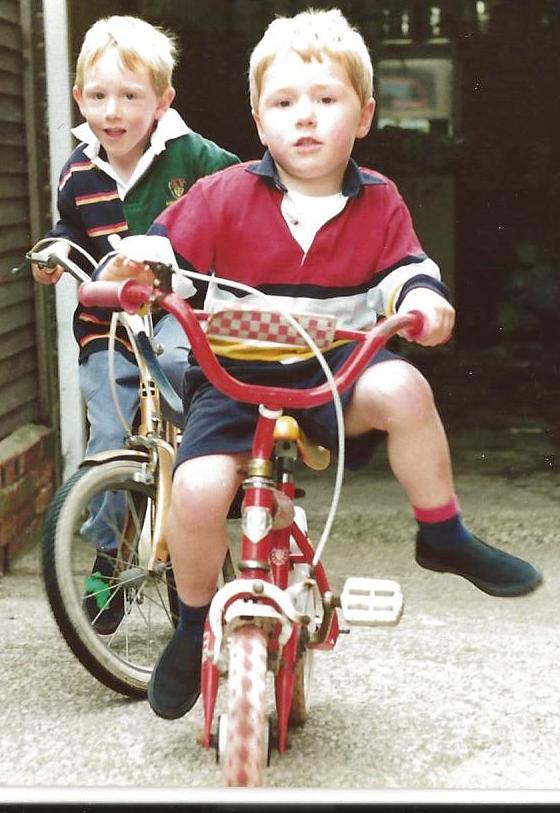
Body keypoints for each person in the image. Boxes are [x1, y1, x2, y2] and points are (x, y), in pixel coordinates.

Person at [100, 7, 542, 719]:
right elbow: (165, 253)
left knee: (404, 384)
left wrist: (425, 303)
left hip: (333, 379)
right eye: (284, 103)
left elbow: (407, 272)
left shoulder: (380, 204)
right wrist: (136, 268)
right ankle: (190, 622)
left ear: (363, 115)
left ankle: (444, 532)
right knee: (199, 491)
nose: (305, 118)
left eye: (326, 100)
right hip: (234, 383)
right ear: (258, 118)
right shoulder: (223, 194)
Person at [31, 15, 239, 634]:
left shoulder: (199, 159)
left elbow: (237, 207)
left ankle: (183, 555)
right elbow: (72, 226)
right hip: (107, 327)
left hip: (176, 317)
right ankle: (110, 549)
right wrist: (54, 248)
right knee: (107, 442)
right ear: (79, 98)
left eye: (129, 96)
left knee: (188, 418)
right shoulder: (78, 170)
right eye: (98, 96)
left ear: (162, 101)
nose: (112, 111)